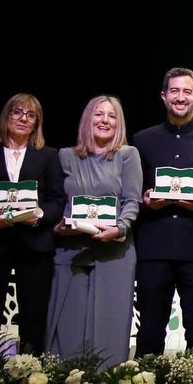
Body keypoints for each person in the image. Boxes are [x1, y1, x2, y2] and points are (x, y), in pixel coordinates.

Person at [132, 67, 193, 356]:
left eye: (187, 92)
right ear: (163, 96)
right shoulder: (142, 140)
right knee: (149, 332)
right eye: (174, 91)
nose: (180, 97)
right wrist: (145, 201)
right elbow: (131, 193)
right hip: (153, 248)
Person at [48, 95, 141, 367]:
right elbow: (57, 201)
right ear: (88, 119)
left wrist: (120, 228)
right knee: (68, 330)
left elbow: (131, 201)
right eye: (99, 115)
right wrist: (60, 227)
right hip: (71, 252)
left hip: (114, 254)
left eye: (112, 116)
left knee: (109, 334)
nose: (105, 121)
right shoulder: (65, 156)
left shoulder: (127, 155)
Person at [0, 94, 66, 356]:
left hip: (34, 246)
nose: (23, 118)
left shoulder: (48, 156)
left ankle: (30, 377)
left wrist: (40, 216)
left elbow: (58, 200)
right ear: (6, 117)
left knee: (33, 319)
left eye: (30, 115)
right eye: (17, 112)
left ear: (37, 123)